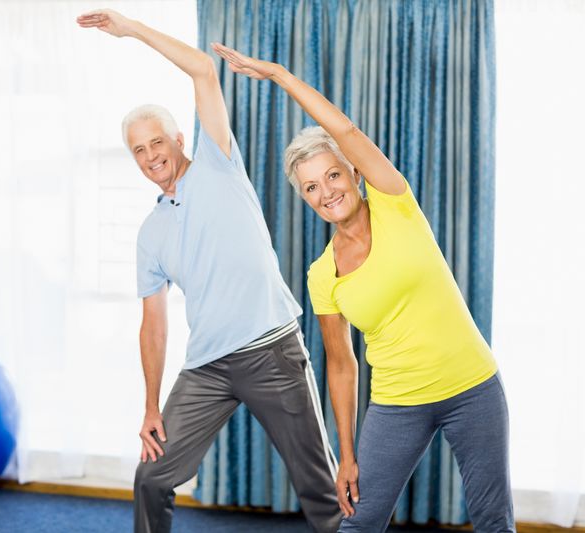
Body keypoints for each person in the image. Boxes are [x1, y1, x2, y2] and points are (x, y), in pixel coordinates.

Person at [210, 43, 515, 532]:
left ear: (354, 173)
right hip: (397, 404)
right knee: (358, 523)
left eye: (333, 175)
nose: (327, 191)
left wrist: (282, 77)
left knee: (493, 522)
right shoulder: (321, 275)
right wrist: (346, 454)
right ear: (305, 198)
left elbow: (345, 131)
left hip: (472, 388)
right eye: (311, 187)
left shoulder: (395, 202)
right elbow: (341, 363)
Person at [77, 9, 343, 533]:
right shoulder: (149, 234)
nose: (152, 155)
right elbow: (153, 326)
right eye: (139, 150)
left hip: (272, 349)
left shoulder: (218, 162)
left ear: (179, 137)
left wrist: (131, 30)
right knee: (152, 477)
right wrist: (150, 406)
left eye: (157, 142)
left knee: (321, 492)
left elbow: (202, 69)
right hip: (208, 368)